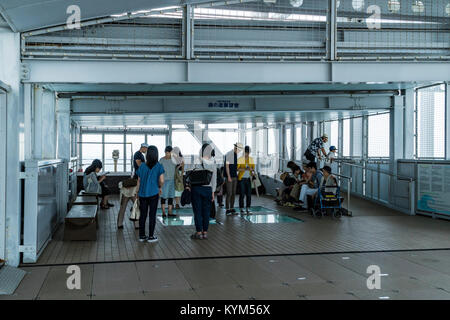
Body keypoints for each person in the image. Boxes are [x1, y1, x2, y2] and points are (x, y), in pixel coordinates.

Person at [135, 146, 165, 243]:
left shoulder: (142, 166)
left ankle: (142, 236)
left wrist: (137, 192)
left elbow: (138, 181)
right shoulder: (159, 166)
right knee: (152, 215)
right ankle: (151, 236)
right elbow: (162, 180)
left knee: (143, 215)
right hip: (153, 194)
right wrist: (160, 187)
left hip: (142, 194)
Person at [189, 143, 217, 240]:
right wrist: (213, 192)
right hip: (208, 189)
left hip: (196, 189)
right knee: (206, 211)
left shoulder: (197, 160)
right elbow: (214, 179)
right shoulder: (213, 162)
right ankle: (205, 232)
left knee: (197, 211)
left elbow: (189, 173)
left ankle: (198, 232)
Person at [224, 142, 243, 215]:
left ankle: (231, 208)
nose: (239, 151)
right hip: (230, 176)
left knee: (234, 193)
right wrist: (228, 176)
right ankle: (227, 209)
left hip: (235, 176)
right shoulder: (230, 154)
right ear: (236, 148)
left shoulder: (235, 155)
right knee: (229, 193)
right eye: (239, 150)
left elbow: (235, 167)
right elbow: (227, 166)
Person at [237, 146, 255, 214]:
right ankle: (241, 208)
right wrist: (245, 169)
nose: (247, 154)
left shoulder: (251, 159)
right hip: (241, 179)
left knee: (249, 194)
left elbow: (253, 169)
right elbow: (237, 169)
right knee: (242, 194)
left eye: (248, 152)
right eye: (246, 152)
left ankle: (248, 208)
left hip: (248, 179)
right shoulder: (240, 159)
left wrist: (252, 172)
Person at [159, 146, 177, 217]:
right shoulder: (161, 160)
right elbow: (158, 170)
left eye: (169, 153)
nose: (168, 154)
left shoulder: (174, 160)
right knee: (163, 196)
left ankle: (170, 212)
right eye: (167, 152)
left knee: (171, 196)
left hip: (172, 180)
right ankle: (163, 212)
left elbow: (178, 165)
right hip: (164, 181)